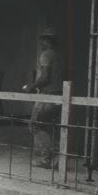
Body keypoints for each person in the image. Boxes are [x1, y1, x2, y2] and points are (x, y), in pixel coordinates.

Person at [22, 28, 63, 169]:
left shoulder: (46, 55)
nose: (40, 43)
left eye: (42, 40)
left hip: (48, 96)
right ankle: (56, 158)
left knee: (34, 125)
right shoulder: (59, 55)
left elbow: (45, 78)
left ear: (46, 41)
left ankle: (45, 159)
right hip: (59, 96)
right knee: (48, 127)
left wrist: (31, 86)